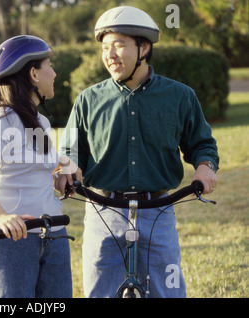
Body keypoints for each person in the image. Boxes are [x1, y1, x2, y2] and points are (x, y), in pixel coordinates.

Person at [55, 6, 219, 298]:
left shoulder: (180, 96)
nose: (110, 55)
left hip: (158, 211)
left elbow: (202, 143)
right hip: (103, 211)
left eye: (119, 45)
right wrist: (70, 167)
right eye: (105, 47)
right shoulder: (88, 100)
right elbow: (71, 150)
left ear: (143, 48)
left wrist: (205, 165)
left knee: (166, 291)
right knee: (99, 292)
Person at [0, 35, 73, 298]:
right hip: (13, 241)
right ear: (34, 74)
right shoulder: (3, 119)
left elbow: (39, 162)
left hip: (53, 234)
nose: (55, 73)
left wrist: (64, 167)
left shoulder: (40, 122)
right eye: (49, 65)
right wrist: (0, 216)